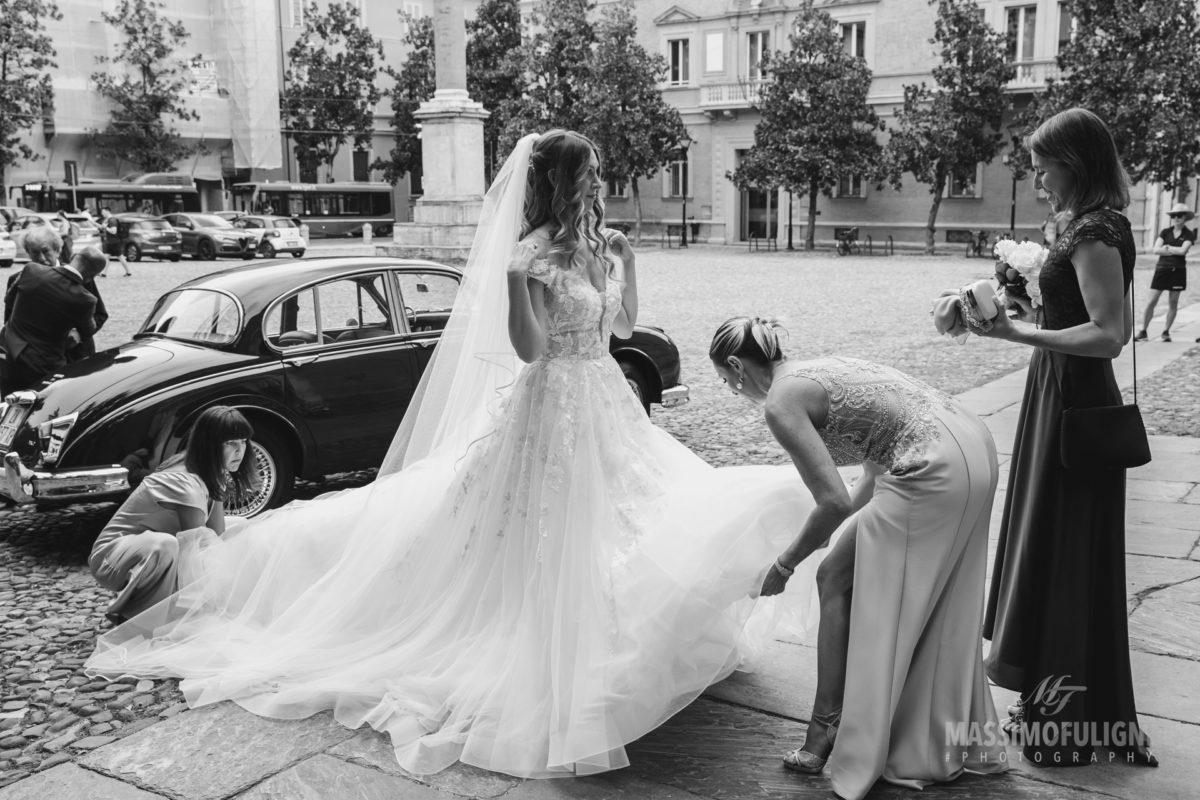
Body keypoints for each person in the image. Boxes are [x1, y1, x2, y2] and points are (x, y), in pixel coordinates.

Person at [85, 130, 826, 779]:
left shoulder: (598, 244)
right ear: (564, 182)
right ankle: (552, 653)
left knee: (628, 517)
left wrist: (626, 263)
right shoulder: (529, 256)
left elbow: (622, 328)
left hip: (606, 403)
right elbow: (532, 351)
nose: (601, 185)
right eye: (592, 176)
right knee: (545, 531)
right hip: (552, 406)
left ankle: (617, 638)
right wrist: (517, 285)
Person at [710, 317, 1005, 800]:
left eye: (726, 382)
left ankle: (829, 731)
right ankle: (842, 724)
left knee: (856, 588)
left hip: (931, 469)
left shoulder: (782, 401)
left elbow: (834, 502)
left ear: (738, 366)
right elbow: (871, 466)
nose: (731, 391)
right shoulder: (818, 369)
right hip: (972, 444)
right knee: (840, 579)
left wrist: (782, 567)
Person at [976, 108, 1157, 767]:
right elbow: (1071, 313)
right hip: (1052, 393)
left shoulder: (1096, 233)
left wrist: (1023, 334)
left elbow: (1110, 335)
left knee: (1069, 553)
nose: (1036, 178)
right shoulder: (1079, 228)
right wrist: (1012, 305)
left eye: (1042, 166)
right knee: (1047, 542)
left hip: (1076, 400)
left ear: (1073, 164)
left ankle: (1070, 717)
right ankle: (1046, 703)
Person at [89, 407, 256, 623]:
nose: (240, 451)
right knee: (168, 545)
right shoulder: (185, 481)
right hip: (109, 558)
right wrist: (201, 610)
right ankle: (135, 616)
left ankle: (230, 600)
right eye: (230, 443)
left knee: (240, 527)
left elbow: (217, 533)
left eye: (243, 442)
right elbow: (196, 549)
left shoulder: (211, 471)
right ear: (209, 444)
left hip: (149, 549)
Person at [2, 245, 105, 391]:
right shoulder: (85, 300)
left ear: (73, 257)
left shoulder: (32, 270)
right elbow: (88, 330)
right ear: (91, 277)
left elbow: (9, 300)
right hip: (44, 365)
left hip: (8, 353)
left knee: (7, 404)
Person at [5, 228, 108, 363]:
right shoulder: (18, 278)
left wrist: (79, 334)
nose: (41, 258)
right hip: (33, 361)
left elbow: (100, 314)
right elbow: (9, 321)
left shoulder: (80, 275)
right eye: (35, 252)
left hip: (75, 356)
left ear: (57, 250)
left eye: (46, 251)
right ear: (28, 253)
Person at [1136, 202, 1194, 342]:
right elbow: (1156, 250)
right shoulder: (1165, 232)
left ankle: (1166, 332)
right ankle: (1143, 331)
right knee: (1151, 301)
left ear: (1185, 217)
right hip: (1162, 269)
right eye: (1174, 215)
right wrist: (1175, 250)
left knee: (1173, 302)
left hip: (1178, 271)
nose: (1176, 218)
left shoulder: (1189, 234)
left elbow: (1183, 251)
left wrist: (1167, 247)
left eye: (1179, 215)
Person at [98, 207, 133, 277]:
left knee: (117, 257)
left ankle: (128, 272)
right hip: (112, 242)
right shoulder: (109, 220)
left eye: (103, 212)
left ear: (107, 211)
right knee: (109, 257)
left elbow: (114, 231)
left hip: (113, 242)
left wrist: (106, 228)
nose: (102, 214)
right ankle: (104, 273)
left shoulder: (112, 220)